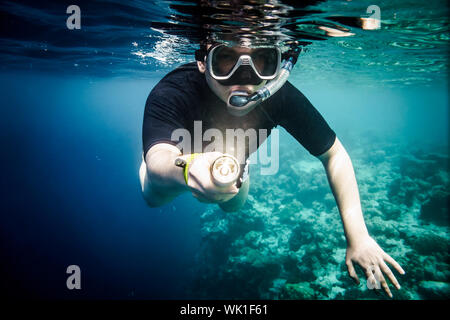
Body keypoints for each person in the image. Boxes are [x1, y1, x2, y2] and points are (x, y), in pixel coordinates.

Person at [139, 41, 405, 298]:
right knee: (154, 195)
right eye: (227, 59)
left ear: (278, 65)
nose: (244, 78)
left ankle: (237, 168)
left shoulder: (281, 96)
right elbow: (159, 158)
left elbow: (334, 154)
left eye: (261, 61)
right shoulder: (173, 90)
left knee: (233, 204)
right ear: (202, 61)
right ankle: (206, 170)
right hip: (179, 159)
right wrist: (187, 170)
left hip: (231, 167)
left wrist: (359, 237)